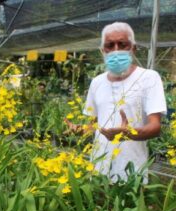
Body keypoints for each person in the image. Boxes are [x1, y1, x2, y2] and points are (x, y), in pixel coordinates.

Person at [65, 22, 167, 183]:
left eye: (122, 44)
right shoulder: (97, 82)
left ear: (133, 48)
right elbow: (95, 124)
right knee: (98, 206)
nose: (116, 50)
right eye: (109, 45)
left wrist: (129, 133)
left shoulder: (149, 78)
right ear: (102, 51)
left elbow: (155, 127)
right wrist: (80, 130)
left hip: (132, 171)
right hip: (99, 169)